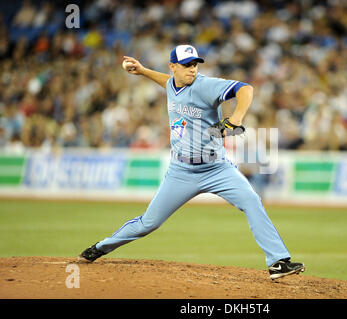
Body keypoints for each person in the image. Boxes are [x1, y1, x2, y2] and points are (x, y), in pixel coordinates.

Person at [78, 44, 305, 279]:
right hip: (181, 171)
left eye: (195, 64)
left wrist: (235, 118)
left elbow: (245, 89)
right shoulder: (171, 84)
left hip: (217, 167)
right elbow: (168, 82)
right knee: (149, 223)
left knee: (251, 200)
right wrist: (144, 71)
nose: (192, 69)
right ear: (173, 66)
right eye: (187, 65)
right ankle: (100, 248)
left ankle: (278, 261)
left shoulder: (205, 85)